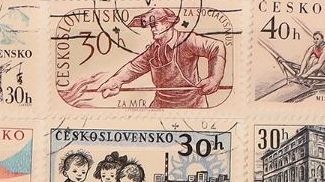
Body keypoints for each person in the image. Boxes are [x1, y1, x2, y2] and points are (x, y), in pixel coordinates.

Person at [62, 7, 228, 108]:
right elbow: (134, 67)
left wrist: (215, 78)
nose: (152, 29)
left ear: (168, 23)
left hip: (191, 106)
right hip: (161, 104)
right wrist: (116, 81)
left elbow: (217, 47)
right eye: (149, 26)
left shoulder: (187, 40)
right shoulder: (154, 49)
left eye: (155, 24)